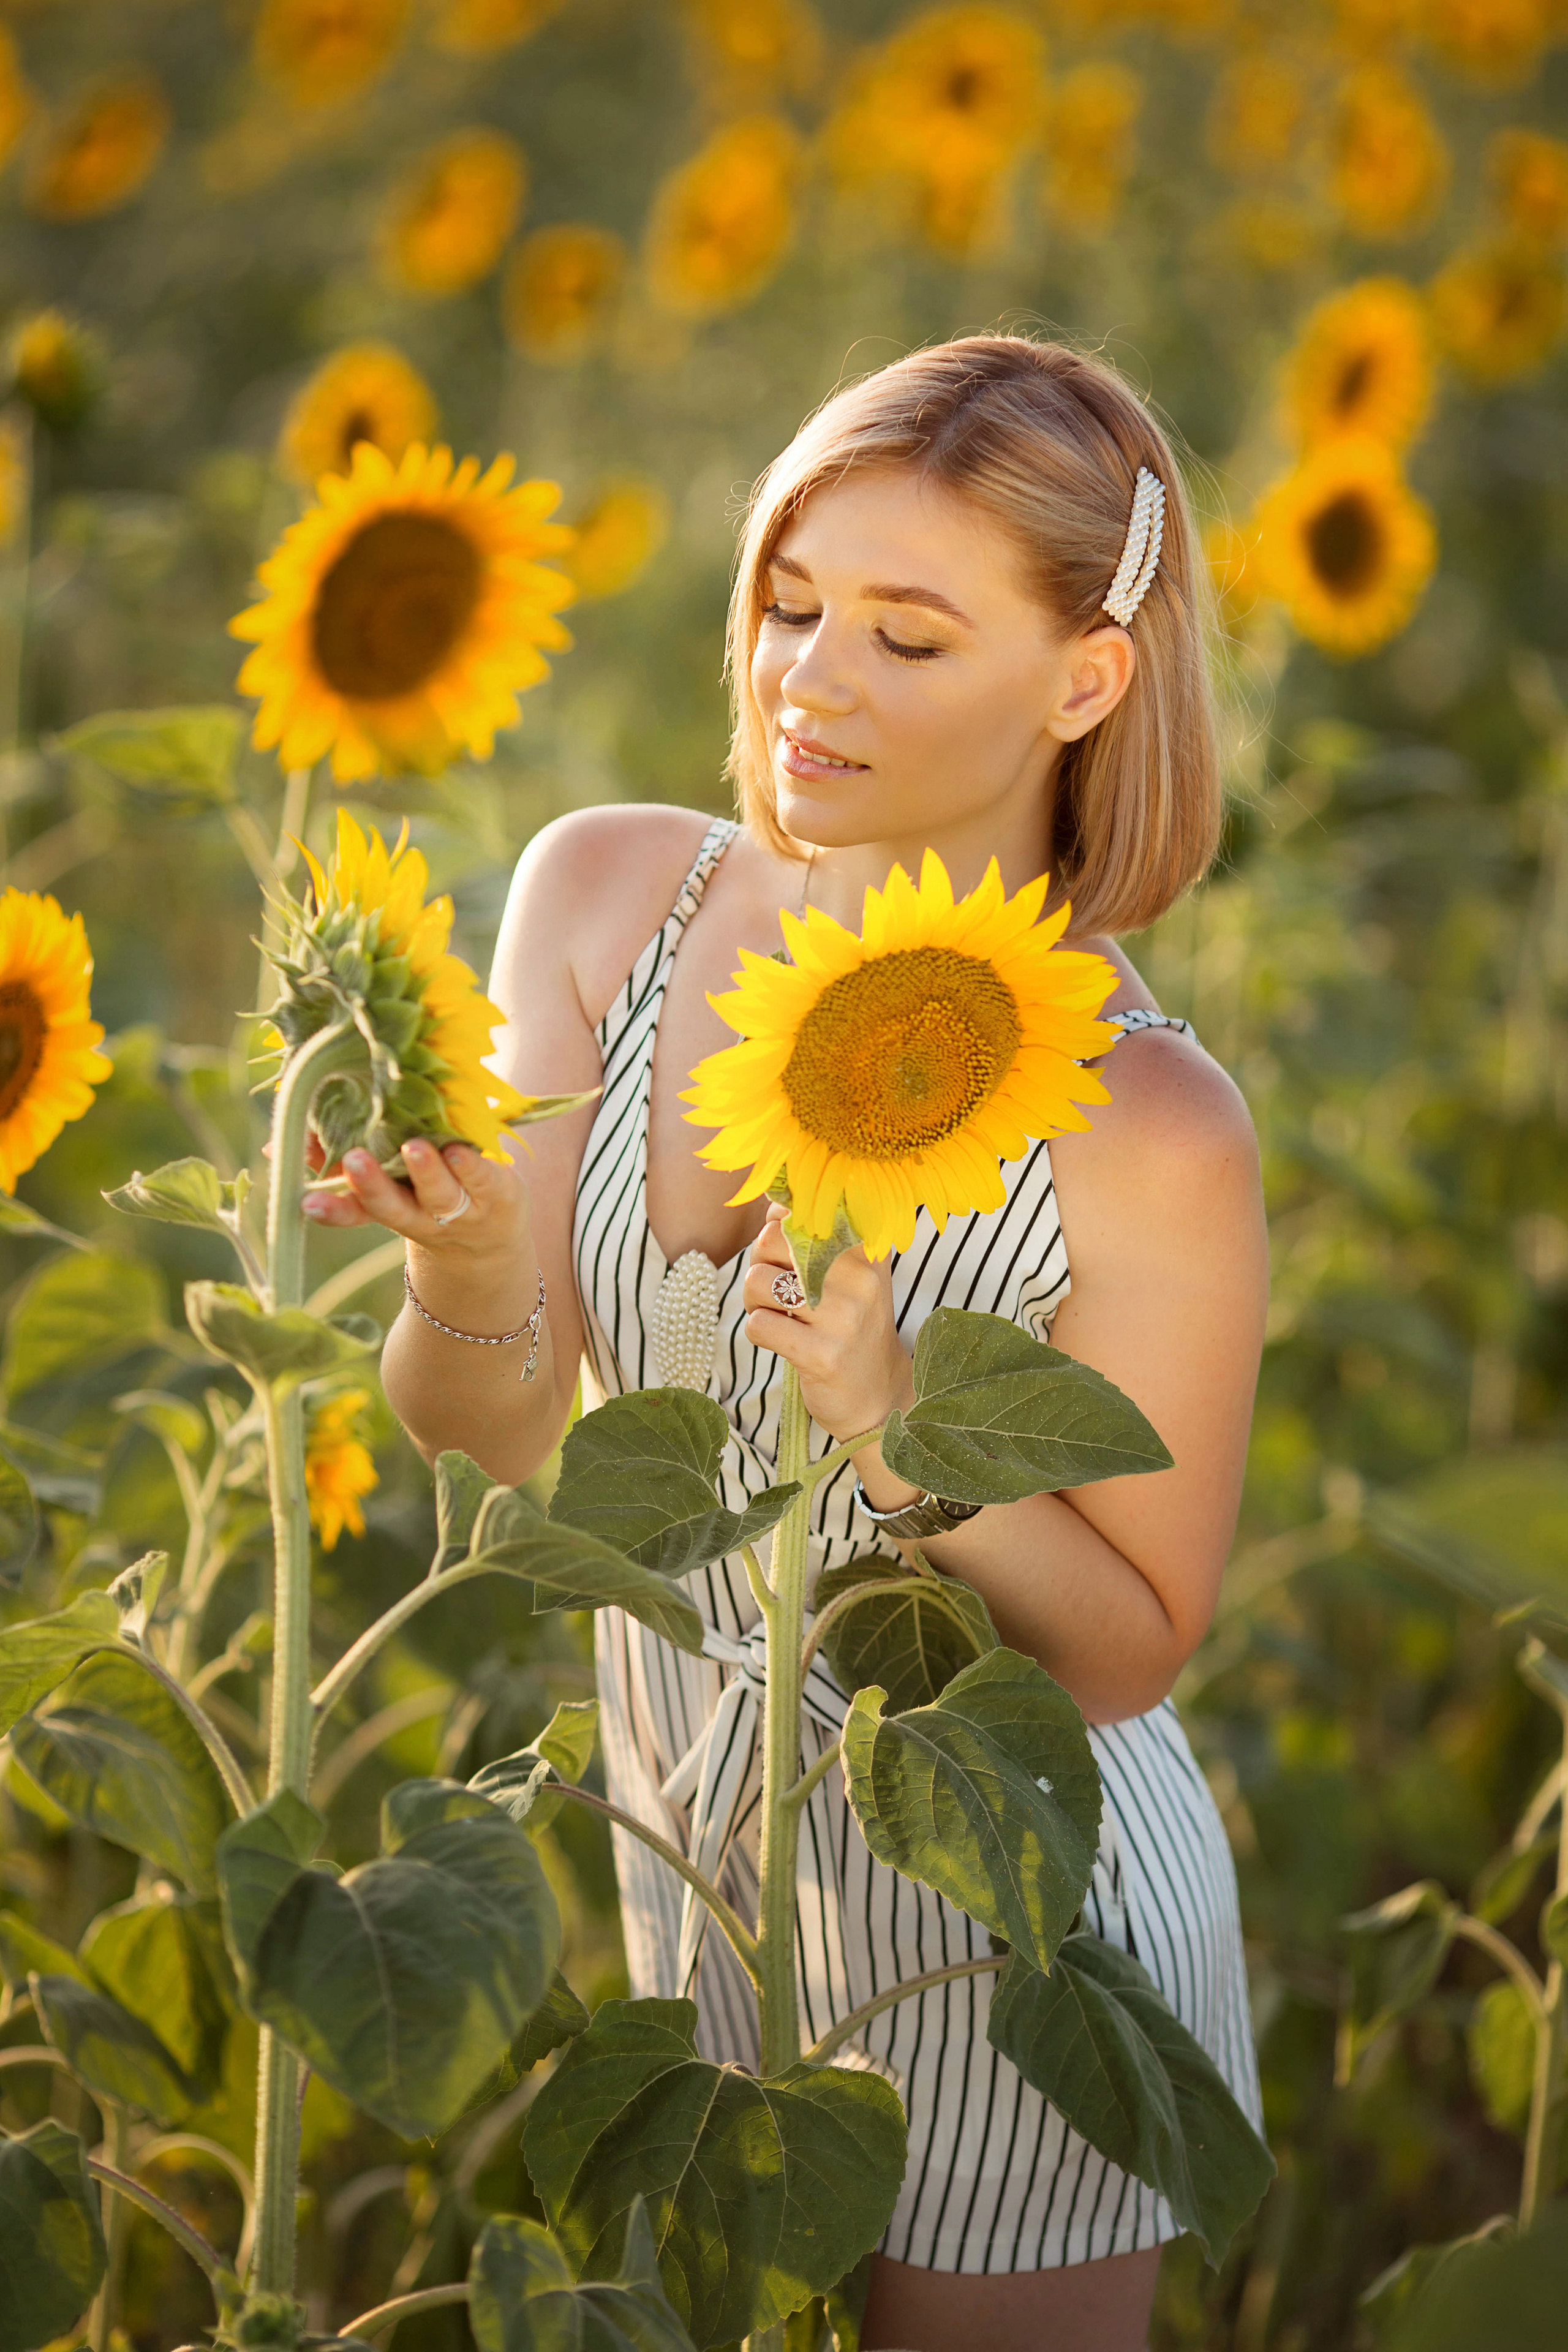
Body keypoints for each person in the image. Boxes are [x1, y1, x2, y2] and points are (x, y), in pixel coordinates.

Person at [306, 334, 1269, 2352]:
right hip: (699, 1893)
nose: (808, 679)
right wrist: (470, 1261)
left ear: (1082, 679)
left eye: (911, 639)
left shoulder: (1145, 1119)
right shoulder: (600, 903)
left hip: (1012, 1937)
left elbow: (1129, 1644)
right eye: (794, 601)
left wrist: (908, 1446)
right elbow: (499, 1445)